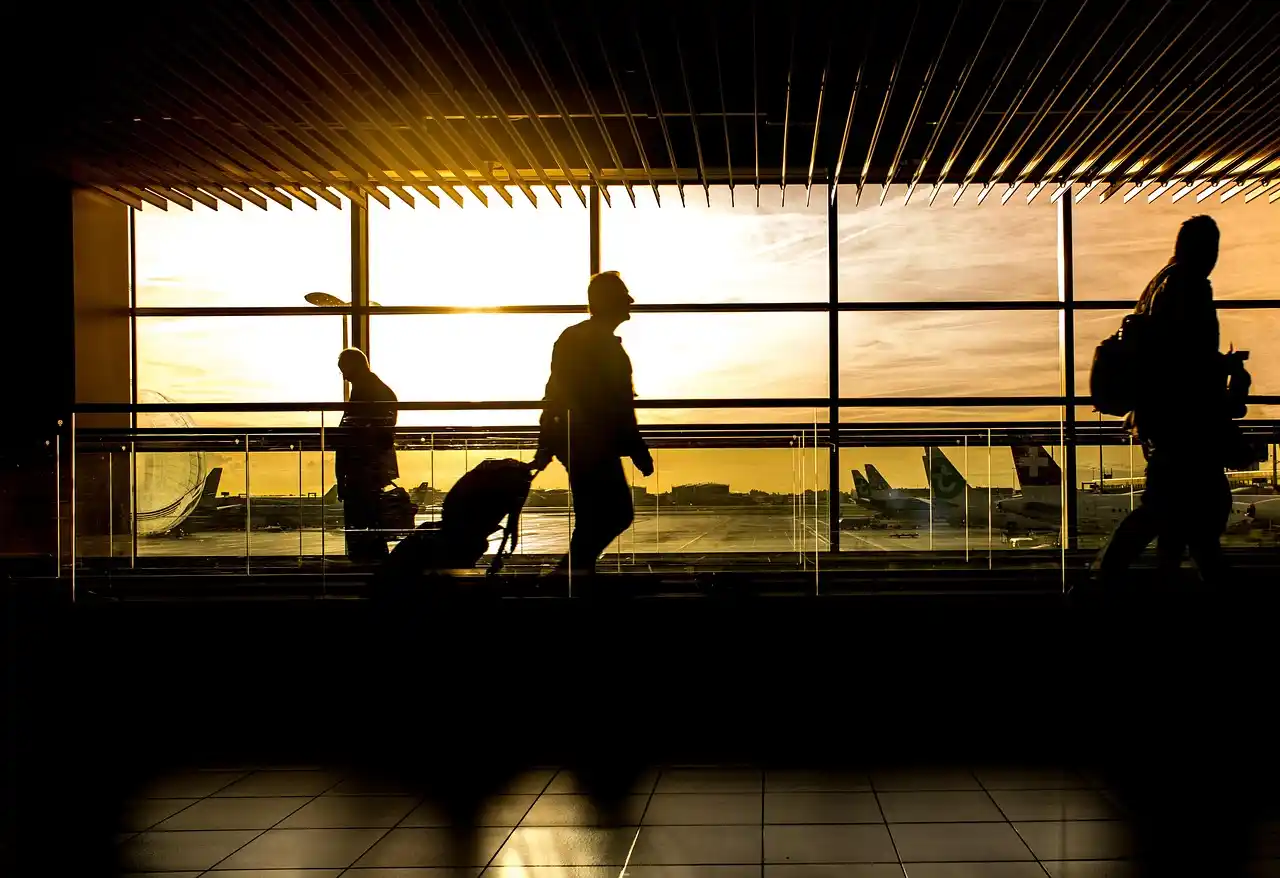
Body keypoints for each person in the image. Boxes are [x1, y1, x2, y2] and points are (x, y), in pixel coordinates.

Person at [1093, 215, 1234, 588]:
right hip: (1183, 421)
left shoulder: (1159, 285)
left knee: (1173, 511)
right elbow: (1186, 359)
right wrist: (1221, 370)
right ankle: (1107, 580)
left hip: (1159, 419)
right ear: (1203, 249)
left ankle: (1125, 581)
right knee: (1184, 511)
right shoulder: (1189, 286)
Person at [532, 271, 654, 579]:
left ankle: (574, 575)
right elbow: (616, 405)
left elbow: (555, 393)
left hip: (578, 441)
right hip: (590, 443)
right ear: (608, 301)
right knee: (615, 513)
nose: (631, 300)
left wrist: (547, 442)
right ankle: (571, 574)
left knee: (596, 516)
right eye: (624, 294)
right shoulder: (596, 342)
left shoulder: (578, 338)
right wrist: (637, 448)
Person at [334, 348, 399, 563]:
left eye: (345, 370)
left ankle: (368, 573)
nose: (344, 376)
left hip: (362, 472)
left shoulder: (368, 393)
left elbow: (369, 436)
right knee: (370, 529)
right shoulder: (378, 391)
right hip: (368, 471)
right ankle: (374, 573)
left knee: (362, 529)